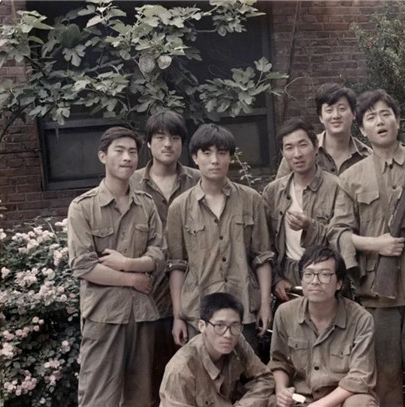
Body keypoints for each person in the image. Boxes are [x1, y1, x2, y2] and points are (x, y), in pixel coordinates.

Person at [330, 89, 405, 406]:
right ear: (362, 129)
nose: (380, 122)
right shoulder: (351, 176)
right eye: (371, 117)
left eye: (386, 114)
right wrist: (378, 244)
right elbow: (338, 233)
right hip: (377, 290)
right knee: (383, 375)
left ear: (398, 121)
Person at [67, 127, 166, 406]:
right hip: (104, 316)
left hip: (141, 315)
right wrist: (133, 278)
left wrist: (127, 263)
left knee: (140, 397)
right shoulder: (83, 207)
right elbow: (84, 266)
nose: (127, 158)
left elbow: (159, 254)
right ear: (103, 156)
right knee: (99, 397)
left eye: (132, 152)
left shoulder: (146, 204)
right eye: (119, 151)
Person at [166, 123, 274, 350]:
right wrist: (178, 316)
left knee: (245, 368)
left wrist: (265, 304)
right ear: (195, 157)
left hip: (243, 308)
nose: (214, 160)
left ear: (230, 157)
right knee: (202, 370)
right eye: (207, 153)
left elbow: (262, 257)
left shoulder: (251, 200)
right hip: (199, 312)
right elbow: (177, 265)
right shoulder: (180, 207)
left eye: (222, 153)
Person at [129, 110, 201, 406]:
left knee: (192, 377)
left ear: (183, 142)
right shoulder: (132, 181)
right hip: (147, 293)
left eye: (174, 137)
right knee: (148, 379)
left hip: (192, 290)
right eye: (160, 137)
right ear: (148, 143)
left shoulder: (198, 179)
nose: (168, 144)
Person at [269, 246, 378, 407]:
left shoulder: (361, 319)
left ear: (339, 283)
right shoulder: (285, 313)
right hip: (301, 398)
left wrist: (319, 406)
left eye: (325, 275)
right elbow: (279, 361)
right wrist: (282, 391)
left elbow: (359, 377)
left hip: (341, 400)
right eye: (309, 274)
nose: (315, 281)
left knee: (361, 403)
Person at [263, 118, 343, 302]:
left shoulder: (337, 187)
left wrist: (310, 226)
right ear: (283, 153)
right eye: (289, 148)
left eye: (303, 145)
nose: (297, 154)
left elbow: (342, 238)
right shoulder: (273, 191)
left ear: (315, 147)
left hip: (326, 278)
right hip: (288, 282)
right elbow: (265, 244)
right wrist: (276, 280)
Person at [160, 292, 275, 407]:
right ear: (202, 326)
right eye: (219, 326)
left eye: (235, 326)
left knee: (274, 400)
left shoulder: (237, 340)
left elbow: (265, 378)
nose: (228, 335)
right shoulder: (181, 369)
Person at [276, 83, 370, 178]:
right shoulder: (301, 150)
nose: (336, 115)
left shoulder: (367, 156)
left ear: (354, 114)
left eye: (342, 109)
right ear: (320, 117)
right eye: (329, 110)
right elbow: (280, 185)